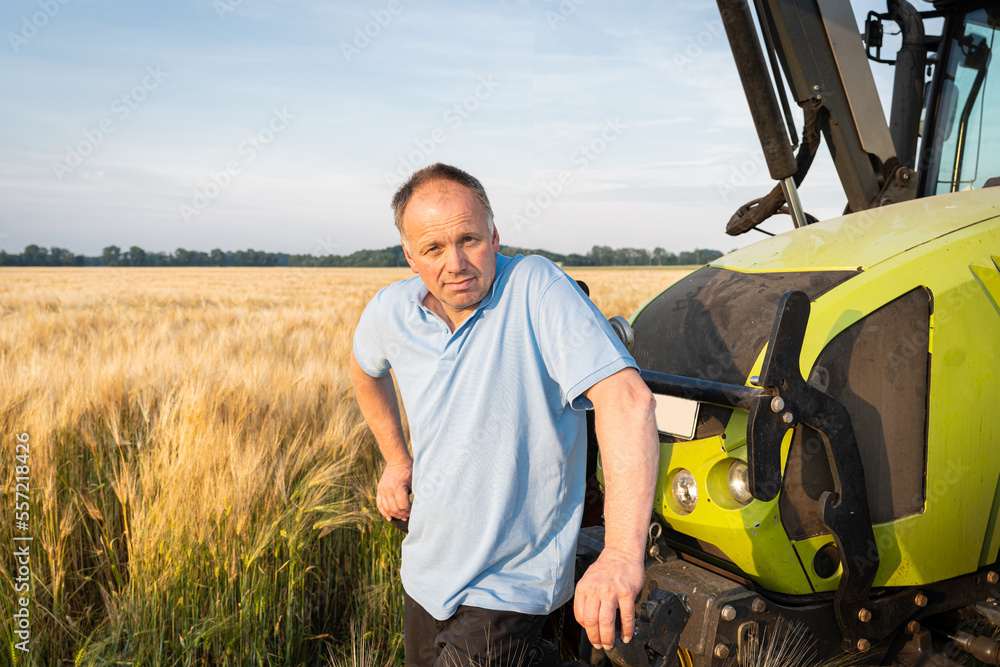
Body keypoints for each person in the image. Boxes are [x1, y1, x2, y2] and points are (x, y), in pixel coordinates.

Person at [350, 163, 659, 667]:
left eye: (468, 239)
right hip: (426, 572)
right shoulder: (392, 311)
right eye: (432, 249)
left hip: (511, 583)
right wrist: (395, 460)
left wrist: (622, 557)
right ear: (409, 256)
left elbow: (627, 401)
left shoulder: (535, 287)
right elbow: (365, 371)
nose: (456, 263)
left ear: (494, 234)